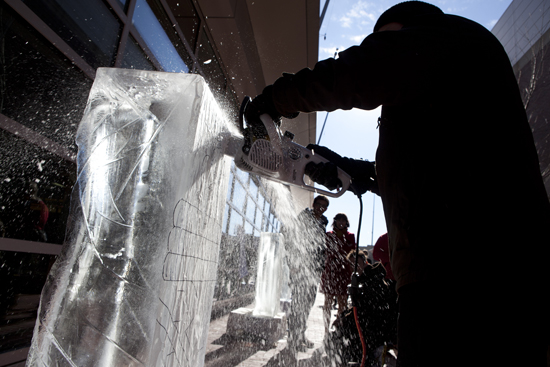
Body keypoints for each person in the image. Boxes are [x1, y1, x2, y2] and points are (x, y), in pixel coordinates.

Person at [243, 2, 550, 366]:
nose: (381, 49)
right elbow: (427, 169)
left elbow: (359, 72)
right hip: (476, 269)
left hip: (469, 279)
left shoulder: (441, 37)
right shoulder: (451, 70)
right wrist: (346, 169)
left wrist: (275, 100)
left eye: (383, 42)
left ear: (402, 28)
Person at [326, 250, 396, 366]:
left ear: (365, 263)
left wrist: (344, 319)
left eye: (357, 264)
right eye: (351, 265)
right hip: (367, 328)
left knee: (337, 342)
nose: (355, 267)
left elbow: (365, 309)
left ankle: (373, 356)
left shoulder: (372, 280)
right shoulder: (363, 279)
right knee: (335, 339)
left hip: (373, 331)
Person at [286, 195, 329, 354]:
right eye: (319, 204)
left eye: (324, 206)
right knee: (298, 303)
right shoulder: (304, 217)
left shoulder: (323, 222)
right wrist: (294, 265)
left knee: (308, 303)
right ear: (313, 204)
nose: (321, 208)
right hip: (301, 269)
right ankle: (293, 339)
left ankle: (300, 335)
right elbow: (293, 239)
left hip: (314, 271)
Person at [321, 213, 355, 336]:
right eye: (338, 220)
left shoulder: (350, 236)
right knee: (327, 302)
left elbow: (350, 252)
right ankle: (326, 330)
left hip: (344, 272)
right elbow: (328, 250)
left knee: (343, 303)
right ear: (334, 222)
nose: (341, 223)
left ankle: (339, 328)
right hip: (331, 271)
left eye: (343, 220)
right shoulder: (329, 235)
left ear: (346, 222)